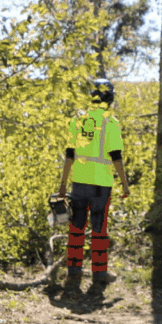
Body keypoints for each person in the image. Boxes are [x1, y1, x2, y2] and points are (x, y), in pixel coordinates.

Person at [58, 79, 130, 300]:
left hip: (79, 181)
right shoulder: (112, 123)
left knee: (76, 227)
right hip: (101, 184)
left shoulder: (77, 120)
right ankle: (99, 273)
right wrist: (125, 184)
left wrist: (62, 184)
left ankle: (73, 273)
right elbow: (116, 157)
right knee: (99, 229)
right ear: (110, 99)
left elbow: (70, 154)